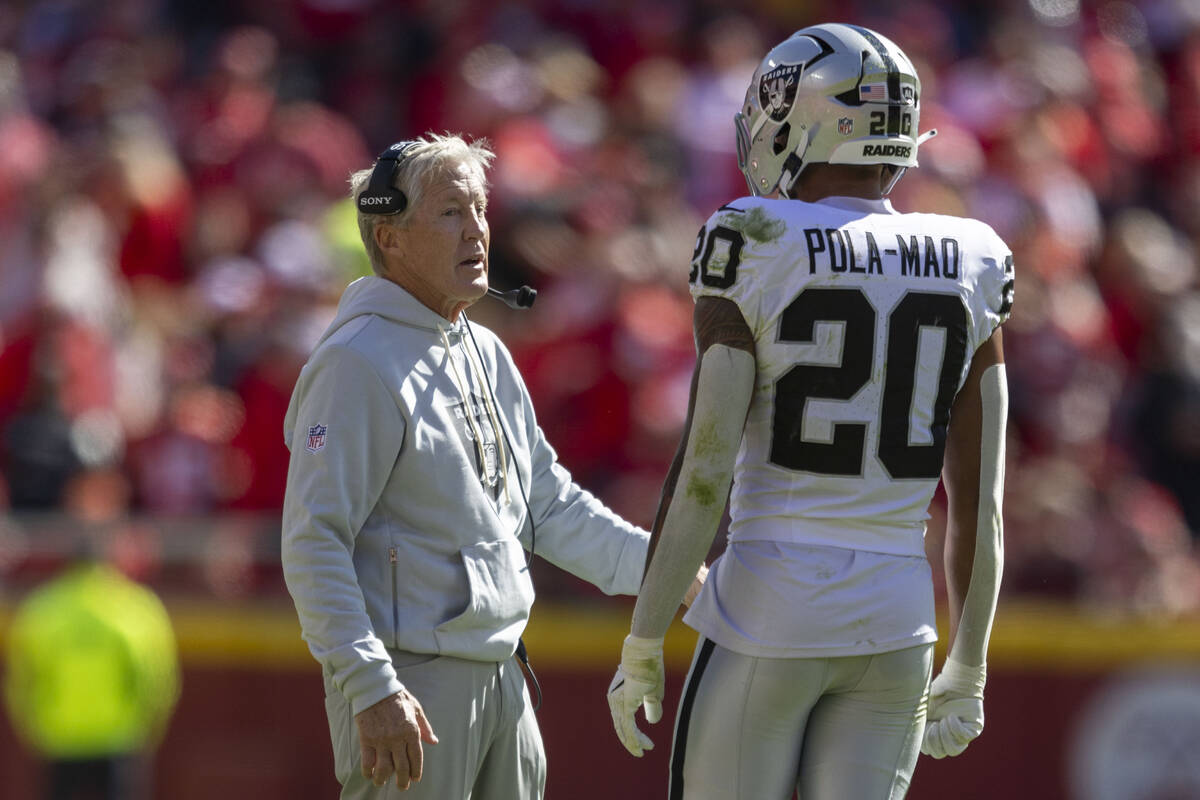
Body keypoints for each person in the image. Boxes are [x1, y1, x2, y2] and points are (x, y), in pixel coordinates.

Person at [607, 23, 1013, 799]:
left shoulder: (753, 236)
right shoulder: (975, 256)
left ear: (806, 120)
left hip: (771, 599)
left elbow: (705, 467)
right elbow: (980, 504)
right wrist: (970, 663)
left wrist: (644, 637)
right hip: (897, 617)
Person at [281, 133, 677, 800]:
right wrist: (371, 685)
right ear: (390, 237)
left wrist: (671, 576)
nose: (476, 231)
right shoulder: (355, 362)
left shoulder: (485, 349)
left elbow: (548, 508)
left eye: (481, 211)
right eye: (449, 213)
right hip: (412, 685)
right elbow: (314, 540)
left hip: (504, 675)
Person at [3, 544, 180, 800]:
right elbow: (157, 681)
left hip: (59, 737)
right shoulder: (135, 607)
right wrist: (148, 731)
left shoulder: (43, 607)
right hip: (118, 737)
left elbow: (22, 680)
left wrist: (32, 729)